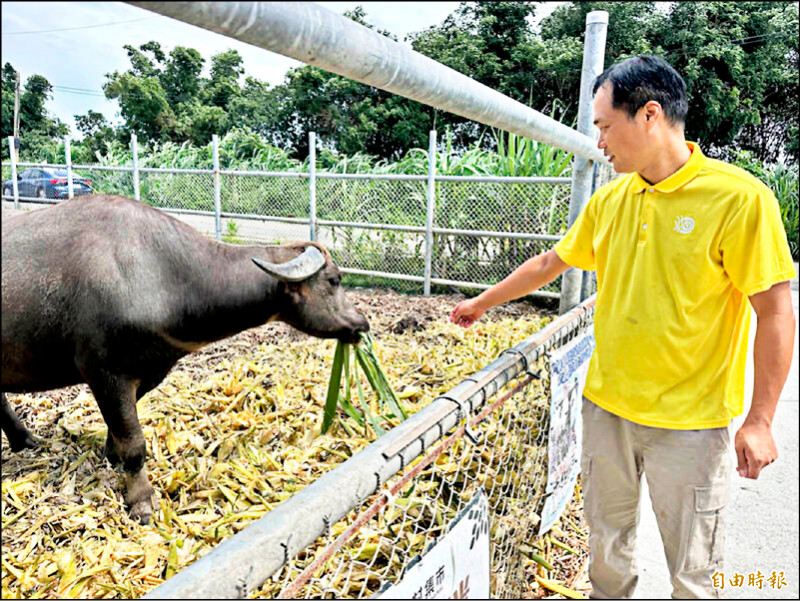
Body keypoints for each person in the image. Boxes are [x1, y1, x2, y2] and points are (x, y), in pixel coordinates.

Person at [449, 55, 796, 599]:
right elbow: (550, 264)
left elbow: (774, 310)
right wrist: (481, 303)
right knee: (607, 552)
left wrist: (761, 418)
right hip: (607, 409)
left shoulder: (739, 198)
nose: (601, 142)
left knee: (696, 570)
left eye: (606, 127)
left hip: (691, 424)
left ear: (650, 115)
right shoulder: (612, 199)